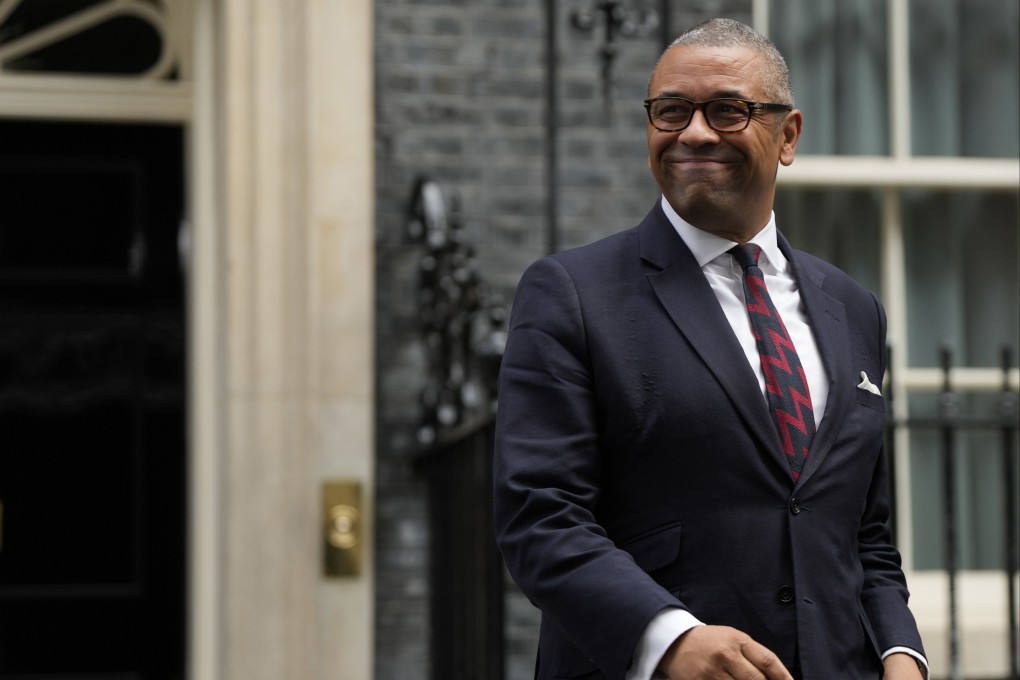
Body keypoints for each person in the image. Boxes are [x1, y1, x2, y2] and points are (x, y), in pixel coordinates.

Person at [492, 17, 927, 680]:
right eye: (671, 110)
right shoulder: (572, 294)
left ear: (788, 135)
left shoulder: (855, 308)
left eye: (727, 110)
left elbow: (863, 531)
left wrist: (901, 652)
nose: (693, 132)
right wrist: (666, 639)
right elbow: (540, 517)